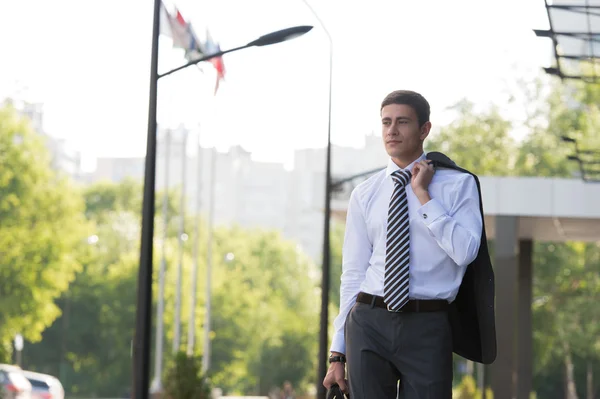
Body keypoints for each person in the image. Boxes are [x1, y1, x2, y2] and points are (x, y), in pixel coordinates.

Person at [323, 90, 484, 399]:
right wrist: (337, 353)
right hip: (368, 320)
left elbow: (466, 251)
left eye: (402, 122)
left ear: (425, 129)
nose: (392, 130)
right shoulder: (365, 193)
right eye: (386, 122)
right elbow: (353, 276)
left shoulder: (458, 185)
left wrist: (424, 196)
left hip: (428, 325)